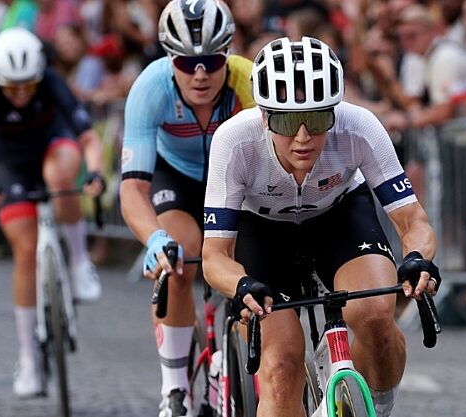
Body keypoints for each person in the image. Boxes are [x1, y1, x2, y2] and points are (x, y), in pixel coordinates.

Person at [202, 36, 441, 417]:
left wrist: (417, 258)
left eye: (316, 119)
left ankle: (375, 408)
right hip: (262, 231)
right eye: (285, 121)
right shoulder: (234, 141)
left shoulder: (359, 125)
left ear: (334, 111)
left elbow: (414, 221)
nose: (302, 136)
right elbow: (214, 256)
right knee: (280, 367)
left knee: (377, 313)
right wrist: (241, 284)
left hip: (339, 216)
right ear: (263, 115)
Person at [117, 0, 252, 415]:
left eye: (211, 61)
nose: (199, 73)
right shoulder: (151, 87)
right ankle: (175, 390)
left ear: (227, 54)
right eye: (185, 61)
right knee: (177, 254)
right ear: (168, 56)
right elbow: (133, 189)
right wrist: (154, 238)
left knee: (251, 268)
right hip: (175, 178)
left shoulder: (248, 80)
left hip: (236, 182)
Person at [0, 27, 105, 398]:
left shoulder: (53, 82)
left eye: (29, 85)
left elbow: (89, 139)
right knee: (25, 252)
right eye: (13, 88)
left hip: (52, 148)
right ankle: (27, 357)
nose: (23, 94)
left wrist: (93, 172)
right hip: (11, 165)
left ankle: (78, 261)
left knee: (58, 175)